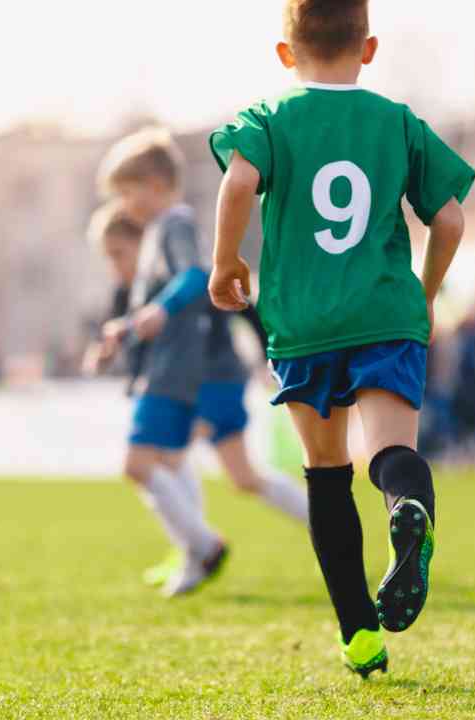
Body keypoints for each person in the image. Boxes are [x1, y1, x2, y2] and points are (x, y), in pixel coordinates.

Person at [207, 0, 474, 677]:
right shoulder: (397, 122)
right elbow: (448, 219)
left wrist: (226, 261)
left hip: (304, 323)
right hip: (385, 315)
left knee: (326, 474)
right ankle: (407, 504)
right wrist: (425, 293)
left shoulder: (269, 117)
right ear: (368, 47)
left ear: (285, 53)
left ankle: (359, 635)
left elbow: (239, 180)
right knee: (388, 453)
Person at [89, 134, 309, 598]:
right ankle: (326, 522)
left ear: (154, 185)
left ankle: (199, 548)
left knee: (153, 463)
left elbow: (199, 281)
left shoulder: (175, 225)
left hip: (202, 377)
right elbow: (170, 306)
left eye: (126, 193)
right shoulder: (160, 235)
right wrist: (124, 333)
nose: (124, 205)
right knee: (242, 477)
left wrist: (160, 313)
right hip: (203, 375)